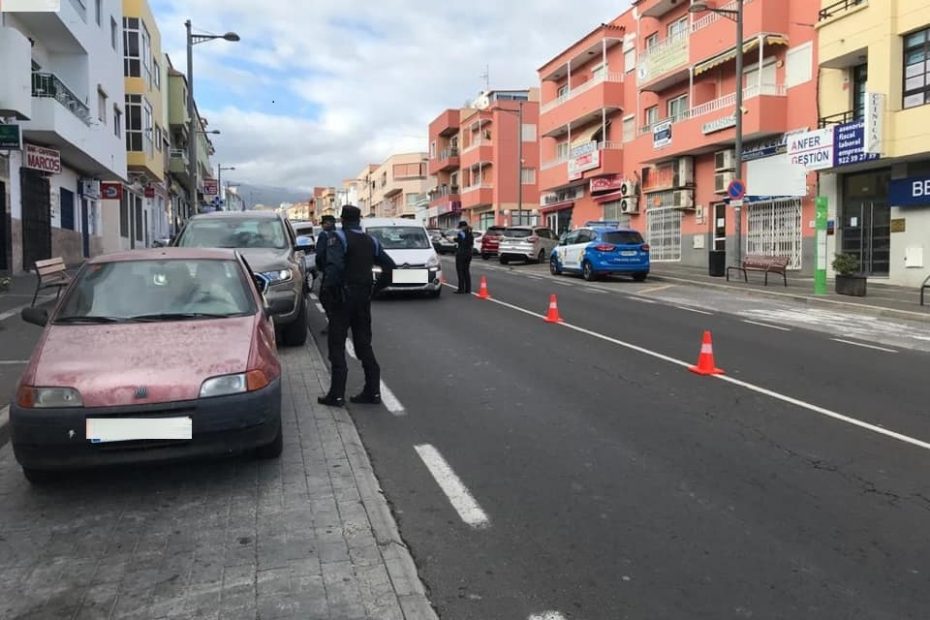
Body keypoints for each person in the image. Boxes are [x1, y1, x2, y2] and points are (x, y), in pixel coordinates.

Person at [317, 205, 395, 407]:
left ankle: (337, 394)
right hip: (362, 299)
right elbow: (389, 265)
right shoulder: (371, 241)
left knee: (336, 344)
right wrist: (376, 289)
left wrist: (327, 293)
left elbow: (334, 268)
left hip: (342, 299)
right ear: (359, 220)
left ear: (342, 220)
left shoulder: (338, 238)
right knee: (363, 344)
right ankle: (373, 391)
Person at [314, 215, 337, 333]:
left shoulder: (324, 235)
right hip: (338, 271)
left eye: (324, 223)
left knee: (324, 297)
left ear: (328, 223)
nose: (322, 225)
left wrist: (320, 269)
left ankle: (332, 323)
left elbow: (319, 254)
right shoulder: (339, 235)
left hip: (327, 271)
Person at [453, 220, 474, 294]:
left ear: (462, 227)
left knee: (460, 271)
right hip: (469, 254)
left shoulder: (461, 233)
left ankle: (461, 289)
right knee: (466, 271)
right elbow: (471, 244)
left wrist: (447, 237)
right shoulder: (470, 233)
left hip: (461, 254)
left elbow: (458, 241)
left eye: (460, 227)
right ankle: (468, 289)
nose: (459, 229)